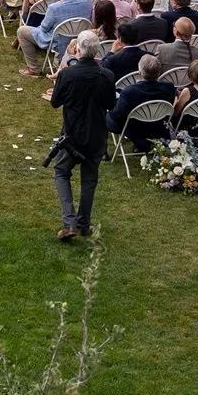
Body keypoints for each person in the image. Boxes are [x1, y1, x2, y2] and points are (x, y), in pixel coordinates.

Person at [47, 30, 113, 242]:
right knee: (89, 180)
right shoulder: (106, 75)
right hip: (96, 134)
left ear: (79, 50)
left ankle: (70, 222)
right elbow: (111, 104)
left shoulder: (68, 74)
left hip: (73, 135)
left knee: (61, 171)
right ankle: (83, 223)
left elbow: (55, 102)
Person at [16, 0, 93, 77]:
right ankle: (56, 61)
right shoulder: (87, 1)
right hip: (80, 38)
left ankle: (33, 68)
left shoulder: (54, 8)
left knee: (21, 31)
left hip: (59, 41)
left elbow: (44, 28)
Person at [109, 55, 177, 152]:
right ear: (159, 72)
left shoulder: (130, 92)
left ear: (140, 72)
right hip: (159, 125)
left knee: (107, 116)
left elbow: (116, 115)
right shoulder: (169, 87)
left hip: (135, 128)